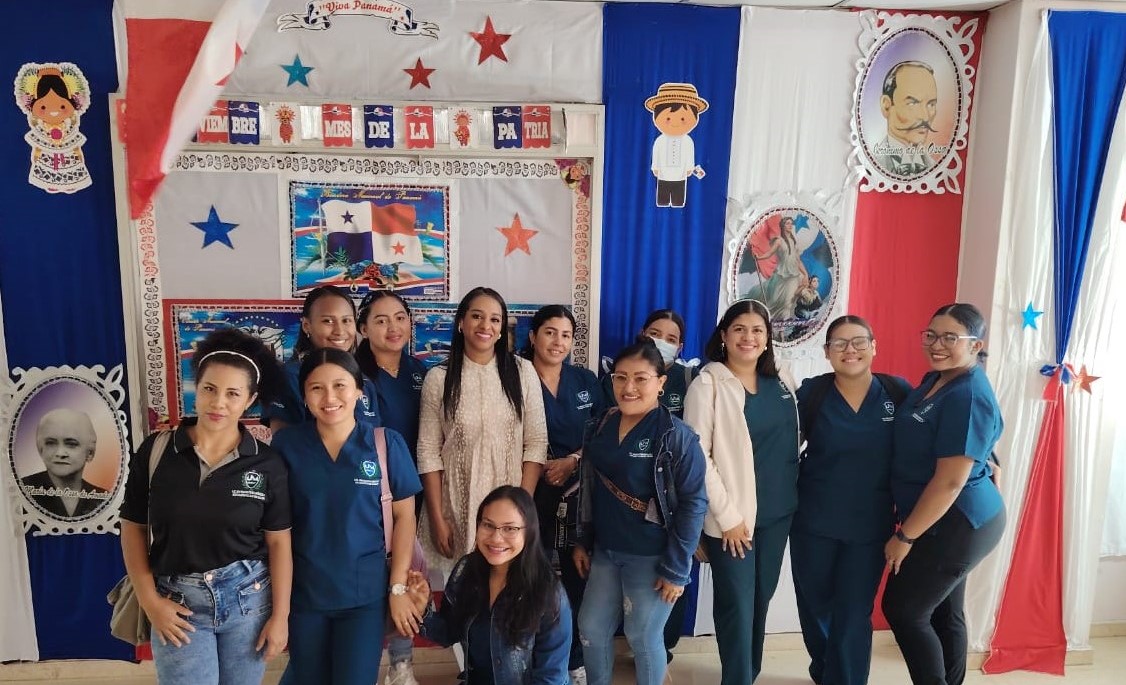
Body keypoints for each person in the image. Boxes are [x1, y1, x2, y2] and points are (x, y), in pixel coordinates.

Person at [119, 329, 292, 685]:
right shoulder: (157, 451)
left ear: (250, 400)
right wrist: (150, 601)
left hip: (249, 602)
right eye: (210, 389)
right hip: (177, 605)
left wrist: (280, 617)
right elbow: (132, 527)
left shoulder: (267, 463)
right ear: (195, 387)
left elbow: (279, 544)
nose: (219, 403)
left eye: (233, 393)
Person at [271, 347, 423, 685]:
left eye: (340, 385)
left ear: (359, 390)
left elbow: (405, 518)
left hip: (364, 597)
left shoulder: (385, 444)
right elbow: (276, 529)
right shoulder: (287, 447)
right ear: (305, 395)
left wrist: (397, 588)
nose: (330, 398)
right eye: (316, 388)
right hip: (306, 596)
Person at [882, 304, 1006, 685]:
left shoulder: (966, 393)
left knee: (904, 609)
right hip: (945, 516)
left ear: (975, 344)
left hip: (959, 521)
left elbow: (950, 481)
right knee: (943, 611)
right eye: (931, 335)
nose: (937, 345)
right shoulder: (939, 380)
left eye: (951, 337)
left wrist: (905, 536)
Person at [574, 338, 707, 685]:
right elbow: (590, 489)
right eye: (620, 377)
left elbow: (694, 503)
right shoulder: (599, 425)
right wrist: (582, 541)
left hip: (653, 556)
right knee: (590, 627)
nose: (628, 387)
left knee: (643, 637)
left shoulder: (677, 438)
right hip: (606, 551)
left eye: (640, 378)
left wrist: (678, 570)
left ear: (661, 383)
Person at [789, 316, 911, 685]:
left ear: (874, 346)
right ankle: (825, 669)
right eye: (839, 344)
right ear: (827, 353)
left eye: (858, 341)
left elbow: (939, 433)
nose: (849, 350)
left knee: (855, 612)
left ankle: (846, 678)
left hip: (870, 527)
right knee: (815, 605)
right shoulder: (813, 394)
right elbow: (777, 443)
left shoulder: (897, 392)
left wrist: (989, 458)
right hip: (813, 522)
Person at [682, 299, 797, 684]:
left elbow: (797, 436)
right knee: (736, 605)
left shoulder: (782, 380)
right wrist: (728, 518)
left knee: (760, 601)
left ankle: (750, 672)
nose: (749, 337)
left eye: (757, 330)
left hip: (778, 513)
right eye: (740, 329)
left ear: (767, 338)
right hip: (733, 521)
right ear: (724, 336)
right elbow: (699, 457)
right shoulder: (709, 383)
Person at [417, 287, 548, 580]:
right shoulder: (438, 378)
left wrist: (520, 510)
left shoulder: (522, 372)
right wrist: (438, 519)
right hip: (455, 506)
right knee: (458, 592)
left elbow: (536, 443)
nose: (485, 326)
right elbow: (428, 452)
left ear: (502, 329)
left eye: (494, 319)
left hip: (510, 509)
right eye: (477, 316)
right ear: (461, 323)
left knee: (507, 587)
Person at [405, 486, 573, 685]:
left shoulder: (548, 592)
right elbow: (449, 632)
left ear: (529, 532)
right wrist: (420, 609)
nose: (496, 538)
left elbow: (551, 677)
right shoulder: (466, 571)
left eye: (510, 528)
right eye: (488, 525)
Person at [522, 304, 604, 684]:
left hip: (578, 493)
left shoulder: (585, 380)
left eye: (566, 335)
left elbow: (606, 431)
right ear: (533, 336)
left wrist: (572, 460)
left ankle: (573, 661)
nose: (558, 341)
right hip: (530, 490)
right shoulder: (515, 377)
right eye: (550, 332)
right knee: (530, 577)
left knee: (577, 579)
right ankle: (529, 656)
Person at [355, 289, 429, 685]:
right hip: (363, 491)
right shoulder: (351, 375)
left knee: (408, 570)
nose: (392, 327)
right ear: (363, 328)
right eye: (381, 320)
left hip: (408, 492)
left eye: (400, 317)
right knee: (372, 574)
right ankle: (364, 660)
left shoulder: (422, 373)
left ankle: (401, 666)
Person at [265, 285, 381, 432]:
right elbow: (283, 444)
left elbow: (372, 440)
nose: (339, 331)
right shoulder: (288, 376)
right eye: (328, 321)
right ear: (307, 326)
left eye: (346, 321)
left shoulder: (364, 381)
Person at [20, 408, 109, 518]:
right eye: (51, 443)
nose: (60, 453)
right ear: (41, 450)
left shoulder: (104, 499)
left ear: (90, 453)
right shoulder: (19, 491)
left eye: (71, 444)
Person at [644, 83, 709, 208]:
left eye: (683, 119)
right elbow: (656, 154)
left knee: (678, 199)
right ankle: (663, 203)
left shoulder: (688, 141)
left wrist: (690, 168)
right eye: (668, 118)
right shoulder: (660, 140)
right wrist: (655, 167)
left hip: (680, 175)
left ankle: (677, 203)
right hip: (663, 173)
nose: (675, 123)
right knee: (662, 197)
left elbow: (690, 155)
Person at [872, 61, 939, 177]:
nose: (925, 117)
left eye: (931, 104)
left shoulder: (936, 168)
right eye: (913, 103)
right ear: (886, 105)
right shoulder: (871, 163)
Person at [751, 217, 809, 323]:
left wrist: (805, 274)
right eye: (787, 223)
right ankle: (770, 323)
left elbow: (798, 260)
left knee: (788, 302)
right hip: (781, 275)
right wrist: (758, 257)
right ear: (782, 225)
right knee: (774, 301)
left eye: (791, 223)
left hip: (793, 276)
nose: (790, 225)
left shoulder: (794, 241)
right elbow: (769, 253)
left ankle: (782, 328)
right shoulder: (779, 241)